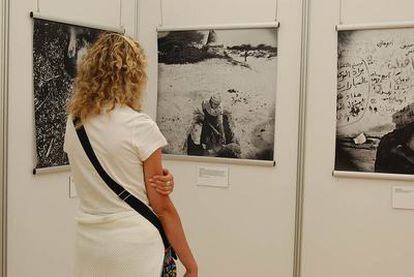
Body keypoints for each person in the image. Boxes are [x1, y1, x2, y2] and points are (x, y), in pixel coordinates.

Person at [64, 33, 197, 276]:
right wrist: (191, 264)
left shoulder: (74, 124)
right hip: (135, 248)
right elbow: (163, 208)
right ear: (133, 76)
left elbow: (99, 172)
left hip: (90, 247)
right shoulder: (139, 126)